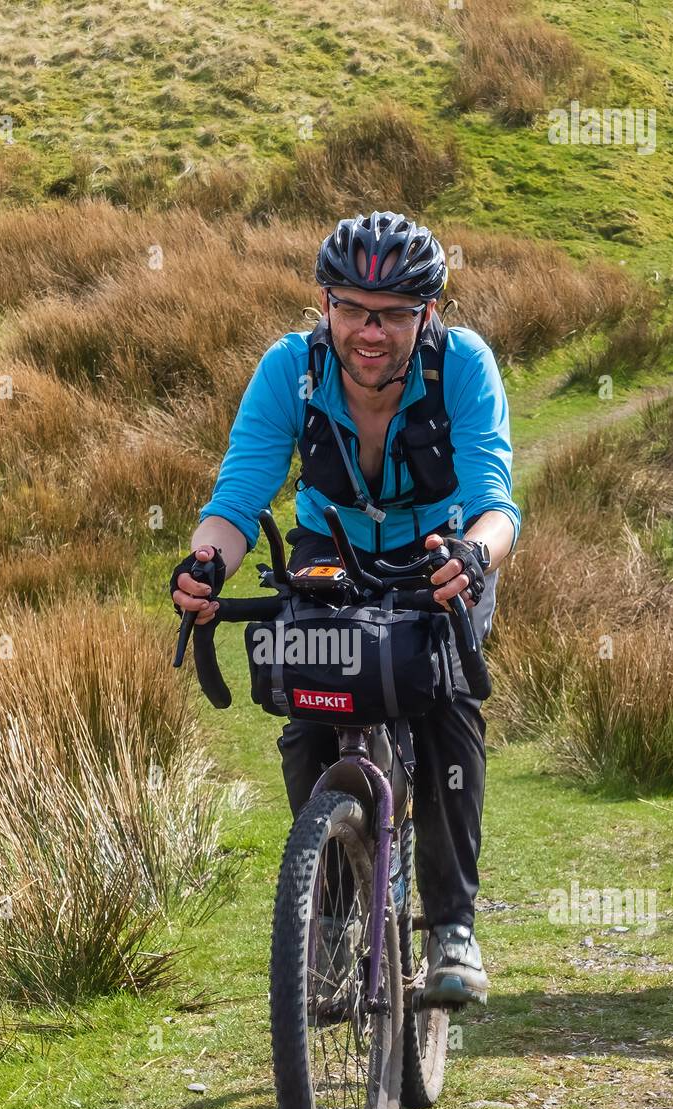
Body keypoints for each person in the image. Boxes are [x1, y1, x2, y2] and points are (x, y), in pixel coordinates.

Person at [170, 211, 520, 1007]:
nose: (372, 329)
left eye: (394, 311)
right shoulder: (288, 369)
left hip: (442, 558)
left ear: (426, 312)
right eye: (355, 308)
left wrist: (472, 556)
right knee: (309, 717)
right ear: (324, 304)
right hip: (327, 552)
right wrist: (203, 567)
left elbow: (496, 500)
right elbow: (239, 495)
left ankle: (453, 927)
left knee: (446, 709)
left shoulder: (461, 365)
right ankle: (327, 914)